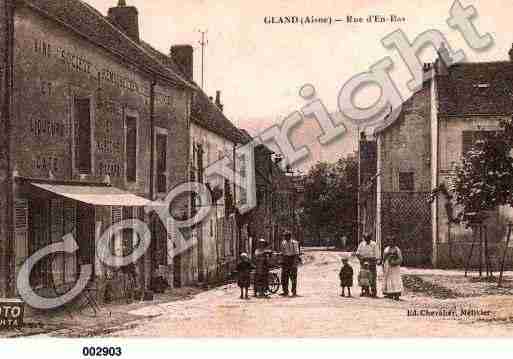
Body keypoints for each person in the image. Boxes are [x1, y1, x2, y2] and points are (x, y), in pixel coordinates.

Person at [356, 232, 379, 297]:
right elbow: (357, 253)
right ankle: (366, 291)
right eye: (365, 238)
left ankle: (373, 292)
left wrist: (370, 260)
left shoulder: (374, 244)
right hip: (363, 263)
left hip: (371, 263)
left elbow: (376, 256)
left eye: (368, 238)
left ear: (370, 238)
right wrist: (361, 259)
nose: (367, 240)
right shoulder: (361, 244)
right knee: (364, 277)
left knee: (372, 278)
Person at [383, 235, 404, 301]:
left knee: (395, 278)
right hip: (388, 266)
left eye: (392, 241)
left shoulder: (397, 249)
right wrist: (383, 265)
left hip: (395, 267)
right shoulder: (386, 249)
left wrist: (395, 262)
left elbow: (400, 259)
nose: (390, 243)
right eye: (389, 241)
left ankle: (397, 293)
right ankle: (389, 293)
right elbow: (383, 258)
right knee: (388, 278)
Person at [280, 230, 301, 296]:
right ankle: (285, 291)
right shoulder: (283, 243)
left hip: (292, 258)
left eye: (287, 236)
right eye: (285, 236)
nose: (285, 237)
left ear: (290, 236)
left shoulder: (294, 243)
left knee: (293, 277)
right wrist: (282, 261)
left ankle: (294, 291)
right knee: (284, 277)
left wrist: (295, 264)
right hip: (285, 259)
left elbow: (297, 254)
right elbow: (282, 253)